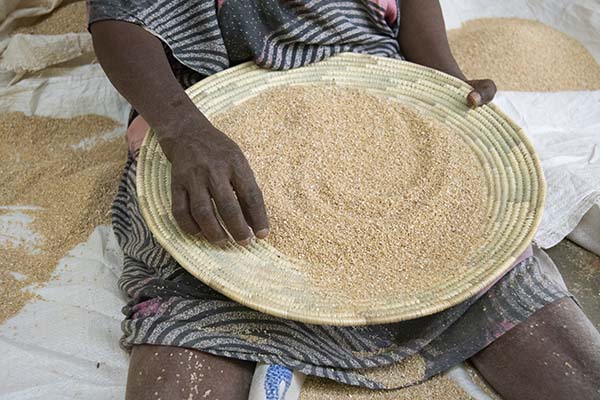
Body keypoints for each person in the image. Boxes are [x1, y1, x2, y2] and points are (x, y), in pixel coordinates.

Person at [88, 0, 600, 399]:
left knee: (482, 260)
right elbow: (118, 16)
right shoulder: (192, 123)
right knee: (197, 259)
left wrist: (443, 76)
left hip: (366, 76)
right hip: (205, 102)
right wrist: (183, 131)